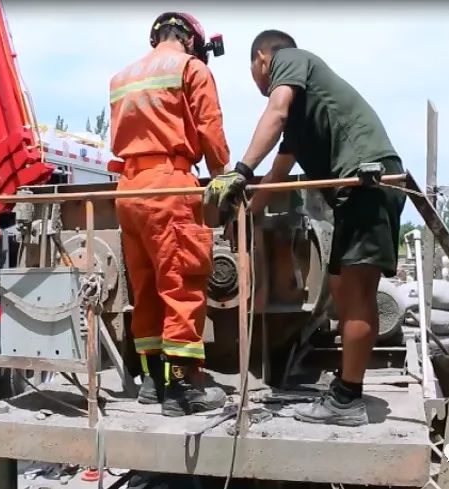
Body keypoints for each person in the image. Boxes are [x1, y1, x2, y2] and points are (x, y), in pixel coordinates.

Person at [203, 30, 406, 426]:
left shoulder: (291, 60)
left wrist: (240, 172)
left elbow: (275, 112)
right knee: (343, 288)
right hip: (357, 188)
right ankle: (348, 391)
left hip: (366, 183)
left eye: (254, 70)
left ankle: (348, 400)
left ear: (262, 58)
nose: (259, 80)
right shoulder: (302, 114)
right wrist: (245, 214)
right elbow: (279, 173)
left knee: (355, 292)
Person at [108, 12, 229, 417]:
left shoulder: (121, 77)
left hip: (127, 190)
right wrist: (222, 179)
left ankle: (152, 383)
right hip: (169, 185)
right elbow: (210, 128)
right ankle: (184, 389)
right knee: (180, 283)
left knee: (145, 291)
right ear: (193, 40)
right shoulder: (190, 68)